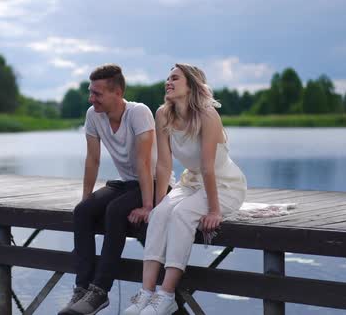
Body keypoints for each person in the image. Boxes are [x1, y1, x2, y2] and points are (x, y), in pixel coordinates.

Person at [124, 63, 247, 315]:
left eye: (175, 78)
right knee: (160, 215)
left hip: (224, 186)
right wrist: (158, 206)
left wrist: (214, 210)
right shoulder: (163, 114)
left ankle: (166, 296)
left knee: (181, 215)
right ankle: (146, 294)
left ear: (191, 85)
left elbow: (209, 168)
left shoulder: (207, 115)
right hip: (190, 182)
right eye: (167, 78)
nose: (168, 82)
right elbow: (164, 164)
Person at [59, 64, 160, 315]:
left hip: (154, 183)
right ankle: (82, 289)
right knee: (82, 212)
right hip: (126, 183)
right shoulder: (93, 115)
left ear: (117, 92)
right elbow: (92, 159)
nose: (91, 98)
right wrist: (87, 200)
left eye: (97, 93)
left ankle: (100, 291)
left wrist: (148, 206)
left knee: (115, 211)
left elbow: (144, 162)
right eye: (90, 92)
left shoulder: (139, 113)